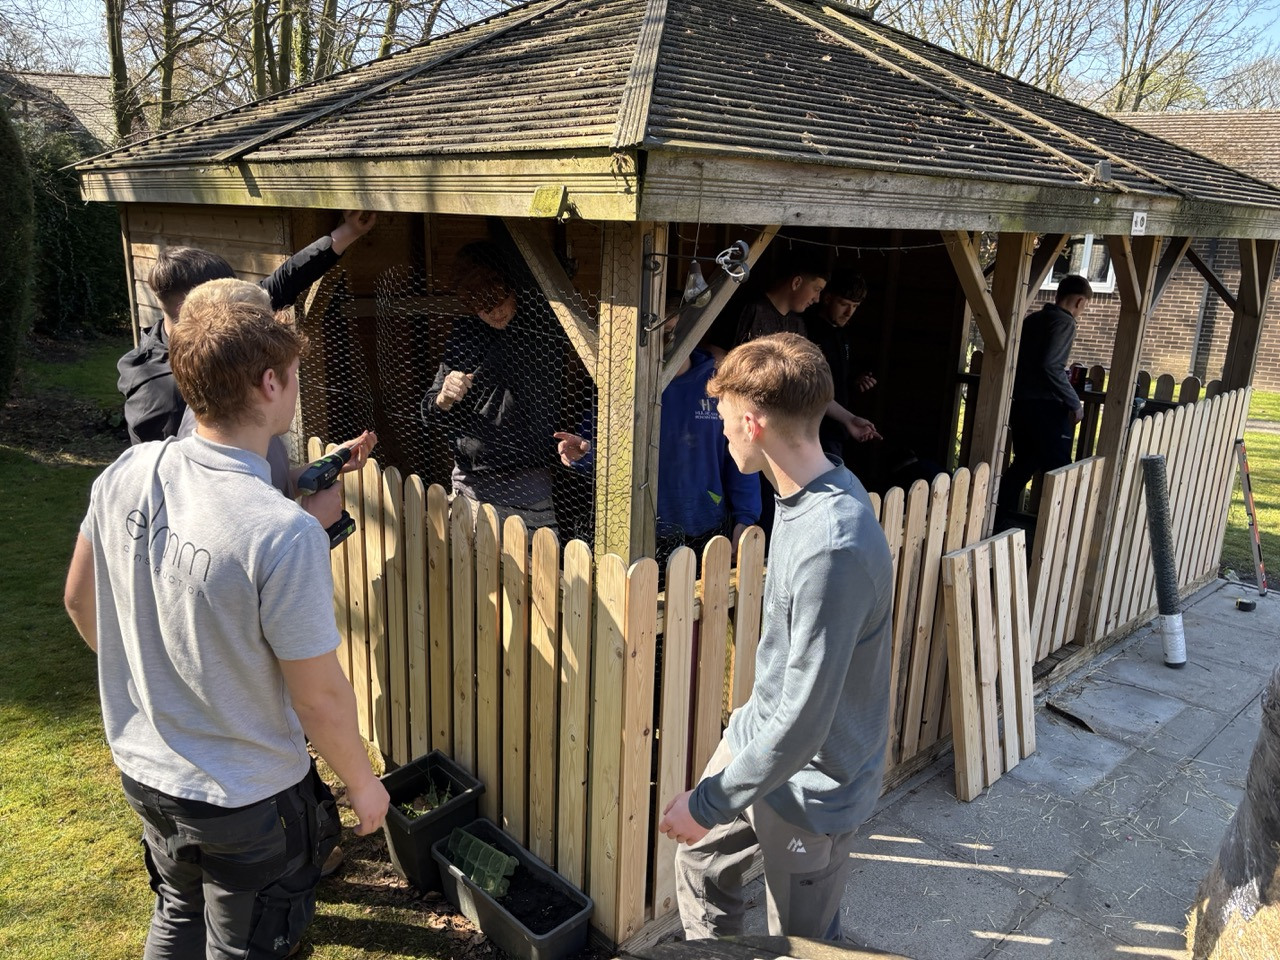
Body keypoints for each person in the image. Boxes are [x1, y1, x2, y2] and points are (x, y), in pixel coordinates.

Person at [64, 293, 389, 959]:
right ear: (270, 384)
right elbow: (318, 697)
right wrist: (363, 784)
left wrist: (154, 682)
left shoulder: (130, 472)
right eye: (293, 376)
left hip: (145, 770)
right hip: (242, 795)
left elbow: (78, 599)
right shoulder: (282, 532)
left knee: (179, 906)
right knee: (246, 944)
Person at [658, 333, 894, 941]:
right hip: (761, 742)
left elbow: (806, 721)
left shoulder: (833, 546)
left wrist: (709, 802)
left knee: (803, 941)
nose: (723, 432)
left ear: (755, 422)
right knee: (702, 862)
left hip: (815, 785)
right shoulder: (799, 497)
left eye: (728, 420)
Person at [118, 210, 377, 445]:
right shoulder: (156, 390)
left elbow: (287, 277)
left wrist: (349, 232)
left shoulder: (226, 317)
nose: (240, 298)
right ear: (197, 304)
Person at [554, 312, 761, 564]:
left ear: (694, 332)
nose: (669, 340)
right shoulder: (624, 388)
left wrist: (745, 517)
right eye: (661, 333)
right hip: (640, 535)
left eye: (676, 331)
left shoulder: (718, 388)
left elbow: (742, 456)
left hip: (707, 529)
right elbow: (598, 451)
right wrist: (585, 454)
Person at [422, 241, 567, 534]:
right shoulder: (464, 334)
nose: (494, 312)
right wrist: (443, 397)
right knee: (470, 569)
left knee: (535, 569)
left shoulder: (542, 326)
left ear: (515, 288)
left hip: (528, 481)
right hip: (473, 481)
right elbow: (428, 412)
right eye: (481, 306)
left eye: (499, 300)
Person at [996, 274, 1093, 521]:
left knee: (1024, 464)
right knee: (1060, 470)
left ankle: (995, 519)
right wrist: (1074, 402)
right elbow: (1051, 365)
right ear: (1080, 302)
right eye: (1085, 306)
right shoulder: (1064, 323)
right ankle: (1060, 529)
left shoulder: (1033, 320)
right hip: (1046, 409)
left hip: (1022, 405)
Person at [803, 271, 881, 452]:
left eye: (855, 306)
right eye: (844, 304)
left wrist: (856, 380)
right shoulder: (807, 331)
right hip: (813, 430)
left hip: (838, 427)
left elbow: (837, 376)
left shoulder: (842, 334)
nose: (849, 312)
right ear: (827, 298)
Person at [733, 253, 830, 344]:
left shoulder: (798, 325)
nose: (817, 299)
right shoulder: (751, 310)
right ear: (796, 283)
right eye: (817, 289)